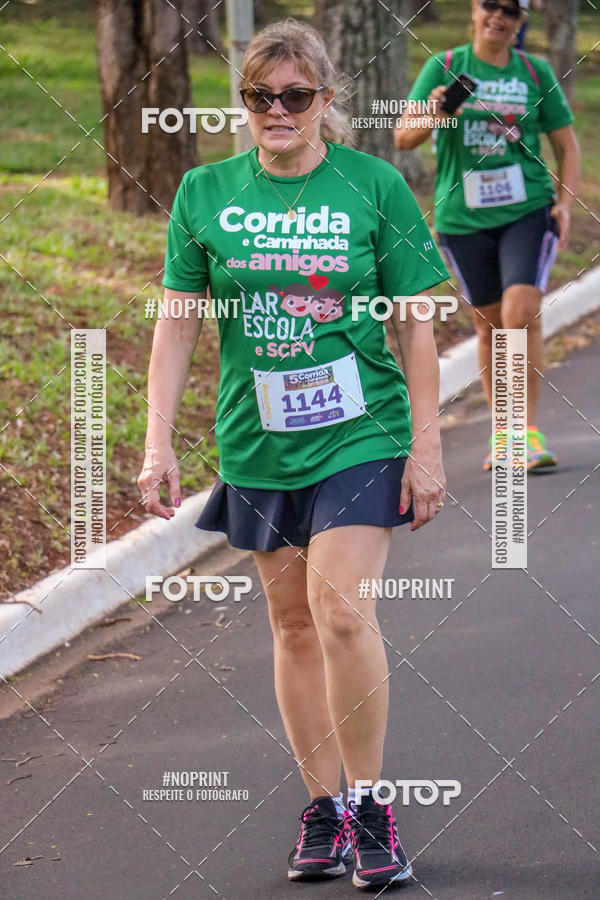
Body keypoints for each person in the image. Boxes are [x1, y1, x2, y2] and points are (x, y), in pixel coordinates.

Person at [138, 18, 450, 890]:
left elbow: (418, 324)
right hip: (257, 437)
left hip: (361, 430)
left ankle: (373, 804)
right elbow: (176, 322)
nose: (278, 110)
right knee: (292, 624)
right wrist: (157, 441)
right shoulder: (205, 192)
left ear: (327, 100)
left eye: (296, 96)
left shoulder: (374, 186)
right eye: (261, 96)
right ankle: (323, 806)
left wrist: (426, 449)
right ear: (244, 102)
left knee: (342, 611)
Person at [395, 0, 579, 470]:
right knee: (490, 325)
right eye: (490, 6)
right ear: (476, 12)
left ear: (520, 22)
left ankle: (527, 433)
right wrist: (435, 110)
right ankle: (504, 433)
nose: (498, 16)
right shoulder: (447, 66)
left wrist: (564, 201)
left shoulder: (534, 73)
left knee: (522, 313)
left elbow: (566, 144)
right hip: (463, 217)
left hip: (526, 209)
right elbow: (403, 137)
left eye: (510, 10)